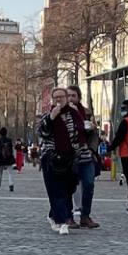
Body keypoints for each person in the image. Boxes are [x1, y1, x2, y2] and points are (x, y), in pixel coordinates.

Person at [37, 86, 88, 234]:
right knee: (55, 190)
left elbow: (80, 133)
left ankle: (54, 215)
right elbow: (42, 133)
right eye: (56, 97)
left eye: (61, 97)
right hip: (52, 157)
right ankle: (62, 221)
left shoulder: (74, 114)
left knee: (67, 190)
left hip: (70, 158)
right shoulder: (48, 115)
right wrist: (52, 118)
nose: (59, 99)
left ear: (66, 98)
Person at [64, 91, 102, 229]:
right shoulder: (61, 113)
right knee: (69, 187)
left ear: (79, 97)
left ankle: (85, 216)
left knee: (89, 184)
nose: (70, 98)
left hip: (86, 155)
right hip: (69, 156)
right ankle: (68, 216)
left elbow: (94, 135)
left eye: (73, 95)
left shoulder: (86, 113)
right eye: (67, 95)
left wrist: (92, 150)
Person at [0, 127, 13, 192]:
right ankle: (11, 184)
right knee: (10, 173)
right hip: (8, 158)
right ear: (6, 133)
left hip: (0, 159)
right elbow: (11, 150)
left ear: (0, 133)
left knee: (0, 173)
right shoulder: (9, 140)